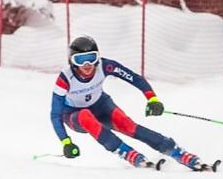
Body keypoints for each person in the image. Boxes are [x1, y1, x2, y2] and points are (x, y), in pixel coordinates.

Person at [50, 35, 206, 169]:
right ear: (72, 61)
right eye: (81, 60)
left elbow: (135, 78)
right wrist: (66, 142)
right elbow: (55, 114)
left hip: (99, 106)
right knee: (85, 115)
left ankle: (175, 151)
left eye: (91, 58)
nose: (87, 65)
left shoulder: (105, 66)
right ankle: (125, 151)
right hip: (74, 115)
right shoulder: (65, 78)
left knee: (127, 125)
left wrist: (152, 99)